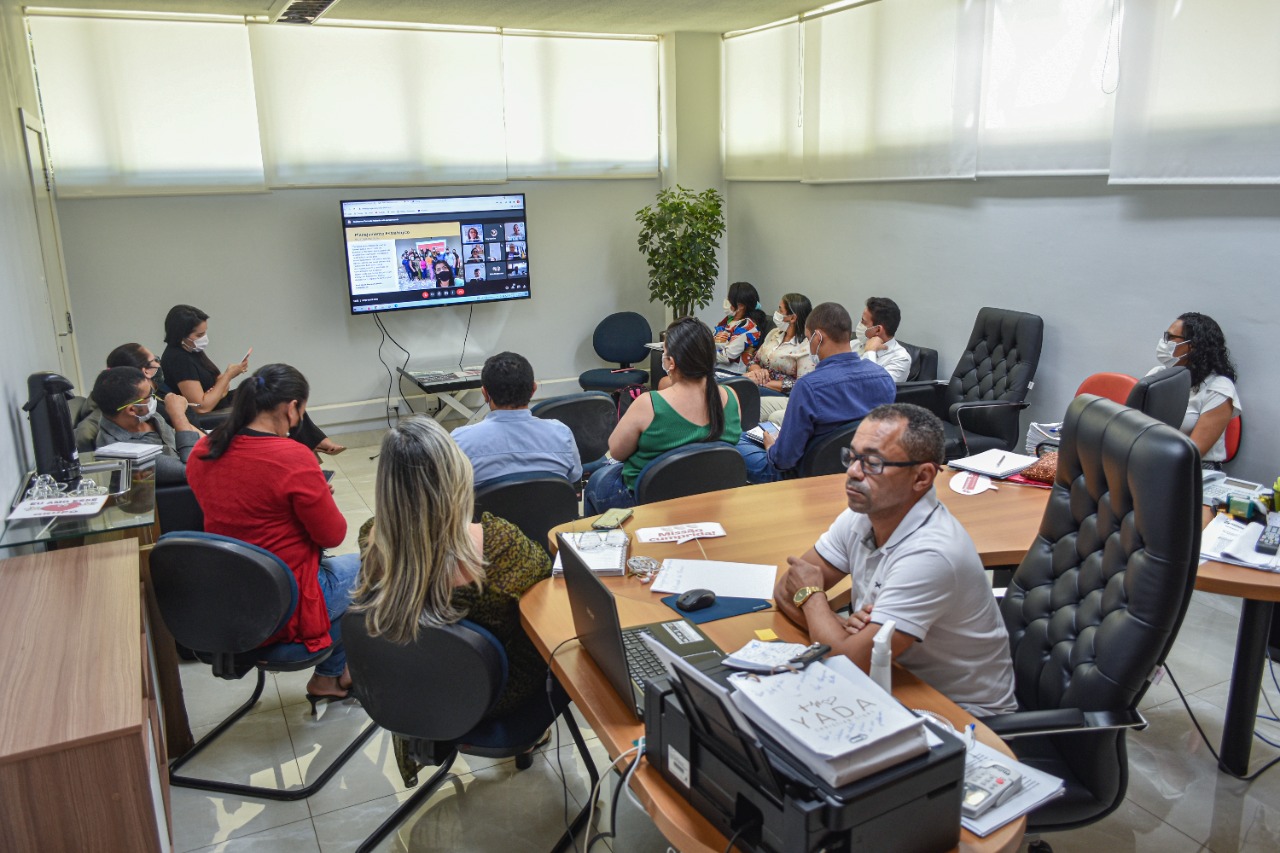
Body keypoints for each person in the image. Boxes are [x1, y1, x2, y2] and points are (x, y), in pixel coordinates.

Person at [773, 403, 1017, 716]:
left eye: (872, 463)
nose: (853, 472)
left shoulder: (932, 553)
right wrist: (840, 627)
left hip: (963, 715)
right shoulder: (862, 514)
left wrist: (813, 596)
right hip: (892, 680)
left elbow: (846, 662)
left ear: (922, 477)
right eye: (852, 456)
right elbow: (785, 589)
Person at [186, 364, 360, 708]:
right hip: (287, 603)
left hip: (229, 600)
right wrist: (317, 496)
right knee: (384, 566)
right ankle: (334, 673)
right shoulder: (292, 457)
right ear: (291, 407)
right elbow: (333, 534)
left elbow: (246, 508)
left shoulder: (203, 450)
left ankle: (330, 677)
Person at [584, 318, 743, 514]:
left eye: (665, 353)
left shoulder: (649, 404)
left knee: (595, 483)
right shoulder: (731, 397)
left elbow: (616, 452)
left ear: (672, 363)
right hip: (711, 499)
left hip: (647, 502)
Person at [737, 302, 896, 484]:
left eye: (808, 338)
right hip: (857, 469)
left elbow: (783, 461)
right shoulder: (883, 378)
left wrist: (772, 448)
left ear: (818, 337)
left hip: (800, 476)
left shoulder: (809, 386)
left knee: (735, 439)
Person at [160, 304, 344, 454]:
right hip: (210, 413)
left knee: (281, 394)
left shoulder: (193, 351)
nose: (204, 339)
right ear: (181, 335)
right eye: (199, 335)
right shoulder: (178, 359)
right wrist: (228, 376)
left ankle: (315, 440)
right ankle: (313, 443)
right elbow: (202, 406)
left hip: (221, 401)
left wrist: (222, 383)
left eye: (205, 333)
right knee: (275, 404)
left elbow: (218, 388)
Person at [450, 352, 581, 487]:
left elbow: (447, 491)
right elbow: (574, 480)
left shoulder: (459, 442)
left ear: (485, 394)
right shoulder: (562, 434)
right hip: (551, 508)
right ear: (533, 390)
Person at [1148, 312, 1241, 469]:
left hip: (1193, 468)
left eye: (1170, 338)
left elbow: (1193, 452)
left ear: (1193, 346)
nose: (1164, 342)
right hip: (1149, 457)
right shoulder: (1157, 374)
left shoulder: (1218, 388)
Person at [90, 366, 200, 485]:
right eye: (150, 395)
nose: (155, 398)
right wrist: (178, 415)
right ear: (132, 410)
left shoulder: (145, 416)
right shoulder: (125, 453)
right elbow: (193, 469)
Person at [75, 342, 169, 449]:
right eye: (154, 360)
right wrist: (179, 417)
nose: (158, 365)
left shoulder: (149, 411)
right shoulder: (142, 410)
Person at [747, 292, 815, 424]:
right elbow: (754, 360)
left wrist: (763, 382)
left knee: (742, 392)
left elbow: (801, 385)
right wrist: (757, 371)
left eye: (780, 310)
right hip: (758, 382)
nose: (776, 313)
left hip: (781, 393)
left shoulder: (805, 346)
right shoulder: (774, 333)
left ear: (793, 318)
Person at [713, 281, 768, 374]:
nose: (726, 301)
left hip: (729, 375)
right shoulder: (728, 320)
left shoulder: (748, 327)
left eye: (729, 299)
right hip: (715, 370)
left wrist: (703, 353)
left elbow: (727, 356)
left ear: (741, 306)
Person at [858, 297, 912, 383]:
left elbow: (874, 387)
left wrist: (870, 351)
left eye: (863, 321)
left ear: (878, 330)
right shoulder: (854, 344)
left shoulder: (900, 359)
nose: (860, 324)